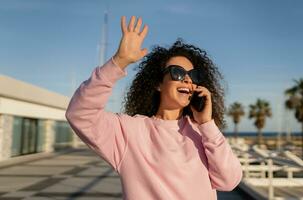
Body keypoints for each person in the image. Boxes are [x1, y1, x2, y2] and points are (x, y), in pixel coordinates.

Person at [66, 16, 242, 200]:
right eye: (178, 73)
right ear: (158, 83)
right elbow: (80, 114)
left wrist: (207, 123)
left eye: (193, 75)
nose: (188, 80)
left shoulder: (203, 133)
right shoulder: (130, 132)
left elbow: (229, 181)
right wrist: (119, 62)